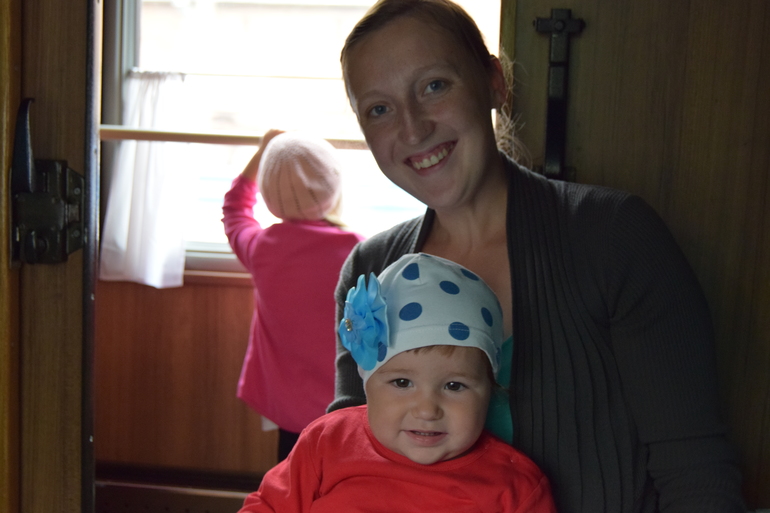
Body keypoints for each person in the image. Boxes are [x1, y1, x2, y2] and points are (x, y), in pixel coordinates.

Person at [329, 1, 746, 512]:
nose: (413, 130)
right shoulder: (369, 273)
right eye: (379, 109)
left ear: (494, 82)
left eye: (434, 86)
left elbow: (695, 475)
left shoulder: (613, 237)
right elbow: (342, 460)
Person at [238, 253, 557, 513]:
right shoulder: (326, 442)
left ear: (490, 390)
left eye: (454, 386)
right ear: (368, 383)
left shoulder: (515, 487)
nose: (427, 410)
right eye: (402, 382)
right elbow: (268, 506)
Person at [222, 129, 365, 461]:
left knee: (291, 477)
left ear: (270, 194)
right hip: (347, 401)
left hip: (288, 406)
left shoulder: (261, 248)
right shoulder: (360, 251)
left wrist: (261, 154)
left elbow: (234, 211)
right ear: (333, 185)